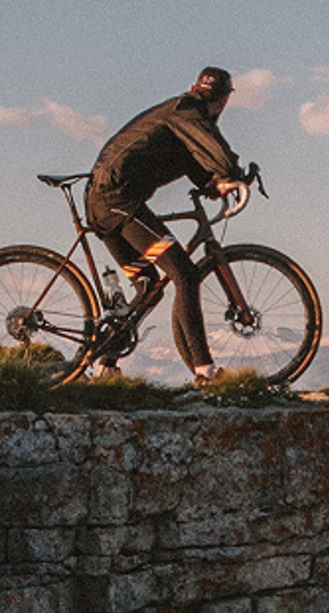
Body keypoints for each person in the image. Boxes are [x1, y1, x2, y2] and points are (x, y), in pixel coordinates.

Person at [85, 66, 248, 384]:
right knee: (184, 273)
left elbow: (193, 161)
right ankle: (205, 369)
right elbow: (216, 151)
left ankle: (105, 365)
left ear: (195, 86)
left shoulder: (179, 117)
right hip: (119, 202)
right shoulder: (189, 111)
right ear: (225, 99)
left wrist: (213, 185)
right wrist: (233, 174)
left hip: (103, 202)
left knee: (147, 285)